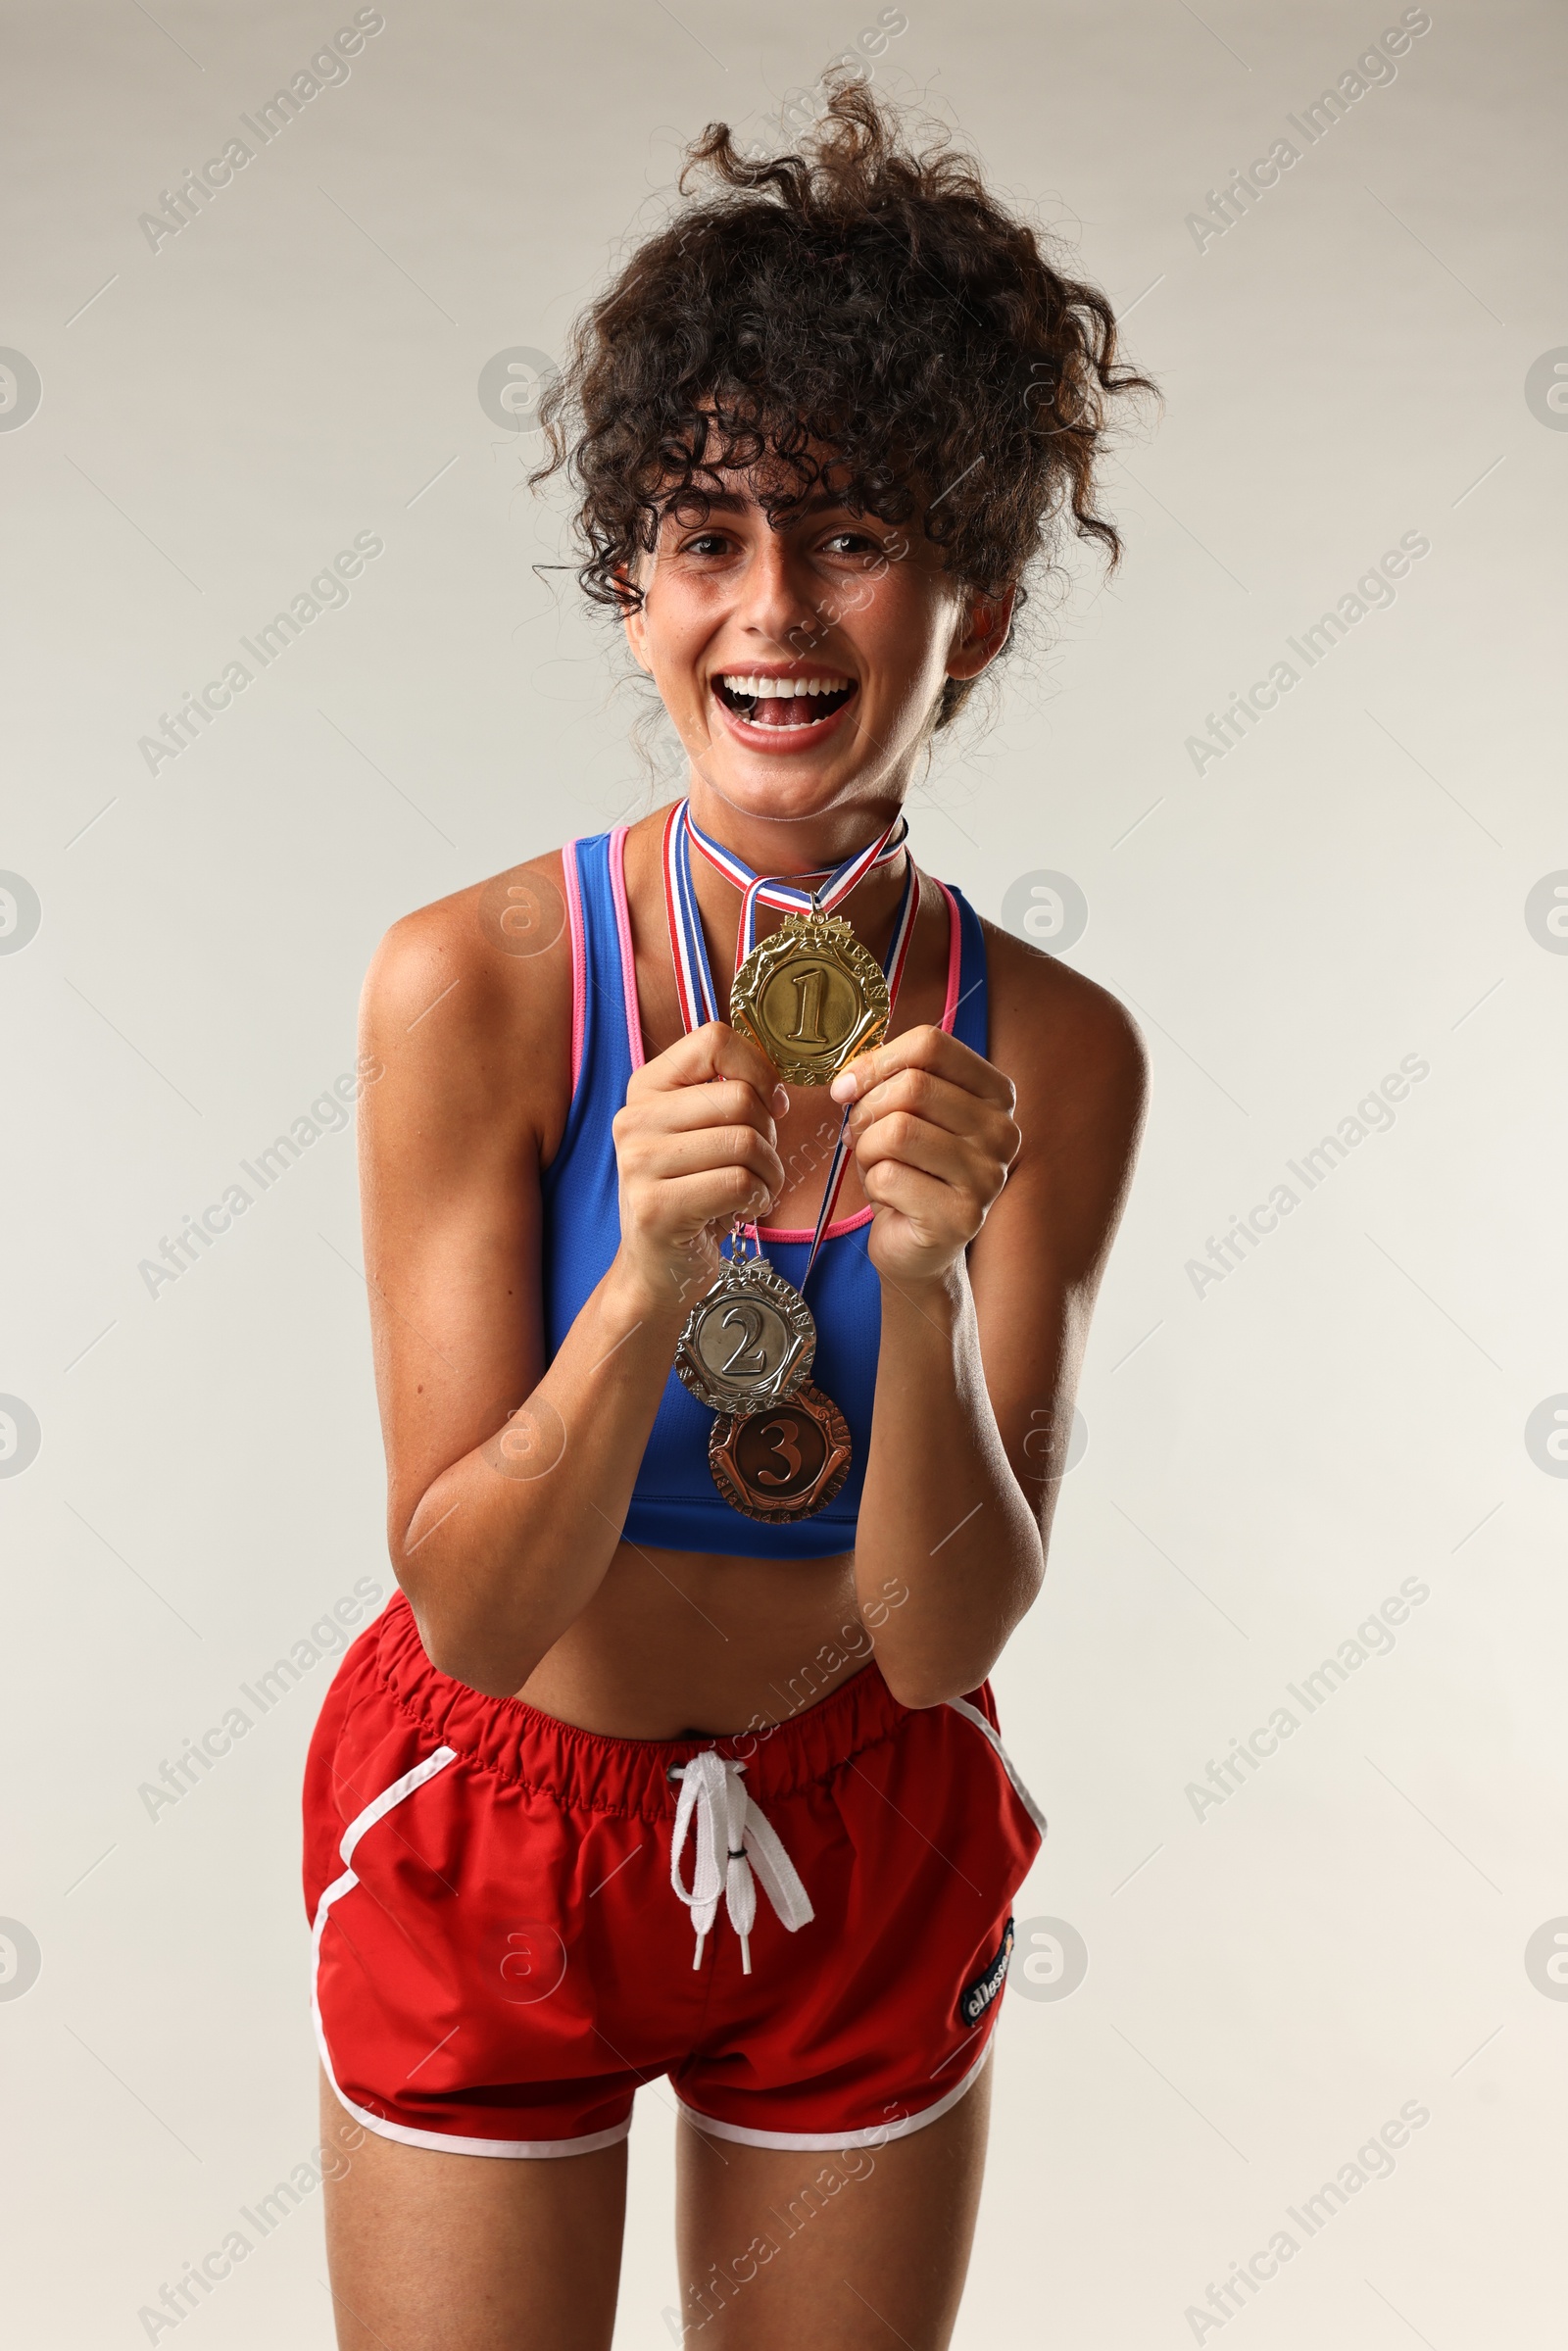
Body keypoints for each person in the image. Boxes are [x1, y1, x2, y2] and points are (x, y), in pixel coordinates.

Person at [305, 77, 1151, 2351]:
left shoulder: (1052, 1051)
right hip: (497, 1812)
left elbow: (949, 1638)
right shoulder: (474, 986)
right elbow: (471, 1614)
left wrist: (916, 1274)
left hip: (863, 1820)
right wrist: (644, 1289)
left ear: (966, 607)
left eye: (853, 532)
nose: (772, 607)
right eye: (704, 533)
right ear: (635, 588)